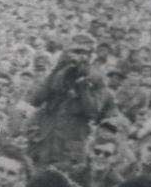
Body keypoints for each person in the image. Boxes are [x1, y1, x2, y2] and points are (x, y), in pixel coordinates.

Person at [26, 32, 113, 176]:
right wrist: (57, 70)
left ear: (91, 56)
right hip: (46, 141)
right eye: (76, 52)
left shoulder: (96, 78)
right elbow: (35, 100)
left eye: (85, 53)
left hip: (70, 148)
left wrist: (83, 87)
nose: (80, 57)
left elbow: (93, 112)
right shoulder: (58, 72)